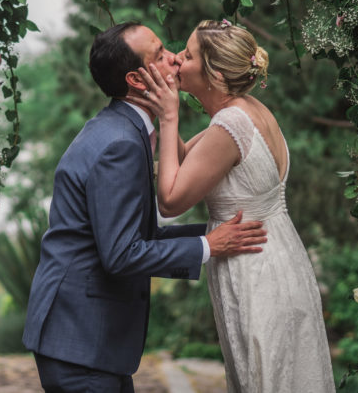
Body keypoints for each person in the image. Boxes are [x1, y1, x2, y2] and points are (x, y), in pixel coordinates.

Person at [22, 21, 268, 393]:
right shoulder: (119, 145)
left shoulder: (122, 131)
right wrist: (208, 246)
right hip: (80, 342)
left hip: (89, 343)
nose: (174, 58)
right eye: (160, 54)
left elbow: (138, 237)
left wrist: (215, 233)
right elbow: (122, 254)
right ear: (137, 80)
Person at [129, 19, 335, 393]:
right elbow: (185, 160)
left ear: (216, 75)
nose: (177, 59)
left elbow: (171, 201)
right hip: (277, 255)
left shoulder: (230, 125)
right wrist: (163, 112)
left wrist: (170, 116)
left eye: (188, 55)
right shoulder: (246, 110)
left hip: (256, 271)